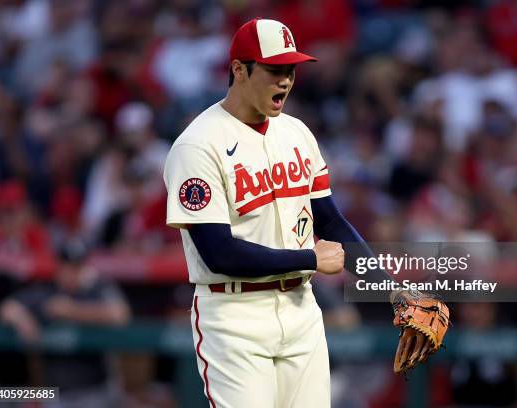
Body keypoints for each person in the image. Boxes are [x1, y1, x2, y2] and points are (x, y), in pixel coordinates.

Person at [163, 18, 438, 408]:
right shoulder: (197, 145)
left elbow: (331, 221)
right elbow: (217, 253)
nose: (285, 80)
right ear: (239, 70)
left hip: (300, 311)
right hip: (233, 315)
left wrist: (390, 290)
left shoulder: (296, 133)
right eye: (274, 70)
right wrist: (309, 258)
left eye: (290, 69)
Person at [0, 241, 130, 408]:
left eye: (76, 268)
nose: (71, 273)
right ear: (59, 267)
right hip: (56, 393)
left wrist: (71, 310)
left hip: (95, 390)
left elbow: (121, 314)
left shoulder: (97, 289)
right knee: (0, 397)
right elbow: (7, 308)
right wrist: (22, 319)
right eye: (67, 267)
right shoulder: (46, 290)